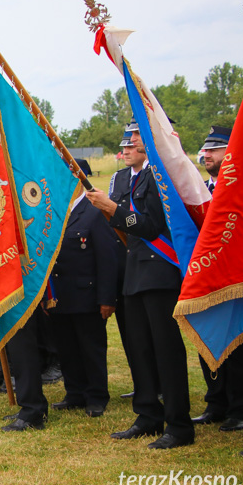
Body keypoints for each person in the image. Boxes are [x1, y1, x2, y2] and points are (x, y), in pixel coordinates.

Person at [86, 128, 194, 449]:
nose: (128, 145)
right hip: (132, 272)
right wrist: (108, 211)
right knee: (140, 351)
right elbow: (117, 224)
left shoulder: (163, 176)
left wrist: (113, 209)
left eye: (135, 139)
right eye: (126, 141)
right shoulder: (121, 179)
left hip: (160, 272)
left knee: (166, 351)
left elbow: (151, 224)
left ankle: (178, 425)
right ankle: (147, 414)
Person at [192, 126, 243, 432]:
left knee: (236, 343)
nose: (207, 155)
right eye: (206, 149)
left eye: (215, 149)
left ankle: (240, 406)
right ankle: (216, 402)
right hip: (205, 276)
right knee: (209, 338)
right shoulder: (200, 192)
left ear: (230, 152)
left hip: (234, 276)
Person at [49, 189, 118, 419]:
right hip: (59, 295)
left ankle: (97, 396)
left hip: (86, 295)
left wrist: (107, 298)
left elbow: (107, 258)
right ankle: (74, 393)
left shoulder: (94, 211)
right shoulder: (54, 211)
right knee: (66, 348)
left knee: (91, 349)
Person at [106, 129, 141, 399]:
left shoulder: (156, 176)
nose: (125, 151)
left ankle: (159, 384)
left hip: (148, 257)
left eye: (131, 146)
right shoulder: (118, 178)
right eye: (123, 147)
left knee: (151, 331)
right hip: (121, 262)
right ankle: (142, 382)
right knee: (131, 331)